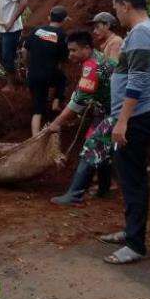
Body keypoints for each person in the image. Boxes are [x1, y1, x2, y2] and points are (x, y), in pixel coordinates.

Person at [99, 0, 150, 265]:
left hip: (136, 118)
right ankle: (130, 231)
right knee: (128, 176)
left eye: (116, 8)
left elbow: (137, 81)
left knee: (133, 179)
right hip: (138, 115)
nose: (116, 14)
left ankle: (136, 244)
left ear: (126, 5)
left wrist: (123, 121)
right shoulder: (149, 31)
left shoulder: (140, 34)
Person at [46, 31, 114, 206]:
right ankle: (103, 189)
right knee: (101, 148)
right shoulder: (96, 58)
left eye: (73, 50)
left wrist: (57, 122)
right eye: (69, 51)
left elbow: (79, 101)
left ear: (86, 48)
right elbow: (81, 92)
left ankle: (74, 195)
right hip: (109, 110)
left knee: (91, 148)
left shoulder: (92, 66)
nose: (70, 55)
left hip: (114, 113)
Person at [89, 11, 124, 196]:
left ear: (108, 26)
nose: (95, 30)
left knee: (105, 140)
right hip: (108, 99)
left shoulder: (116, 43)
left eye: (98, 26)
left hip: (111, 100)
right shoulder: (109, 44)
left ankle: (109, 181)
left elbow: (112, 71)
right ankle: (105, 179)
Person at [22, 5, 69, 136]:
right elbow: (63, 61)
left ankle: (35, 137)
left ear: (49, 18)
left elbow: (24, 50)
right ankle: (56, 102)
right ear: (64, 20)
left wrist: (27, 67)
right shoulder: (62, 35)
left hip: (33, 74)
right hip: (50, 74)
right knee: (62, 79)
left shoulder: (36, 30)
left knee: (38, 108)